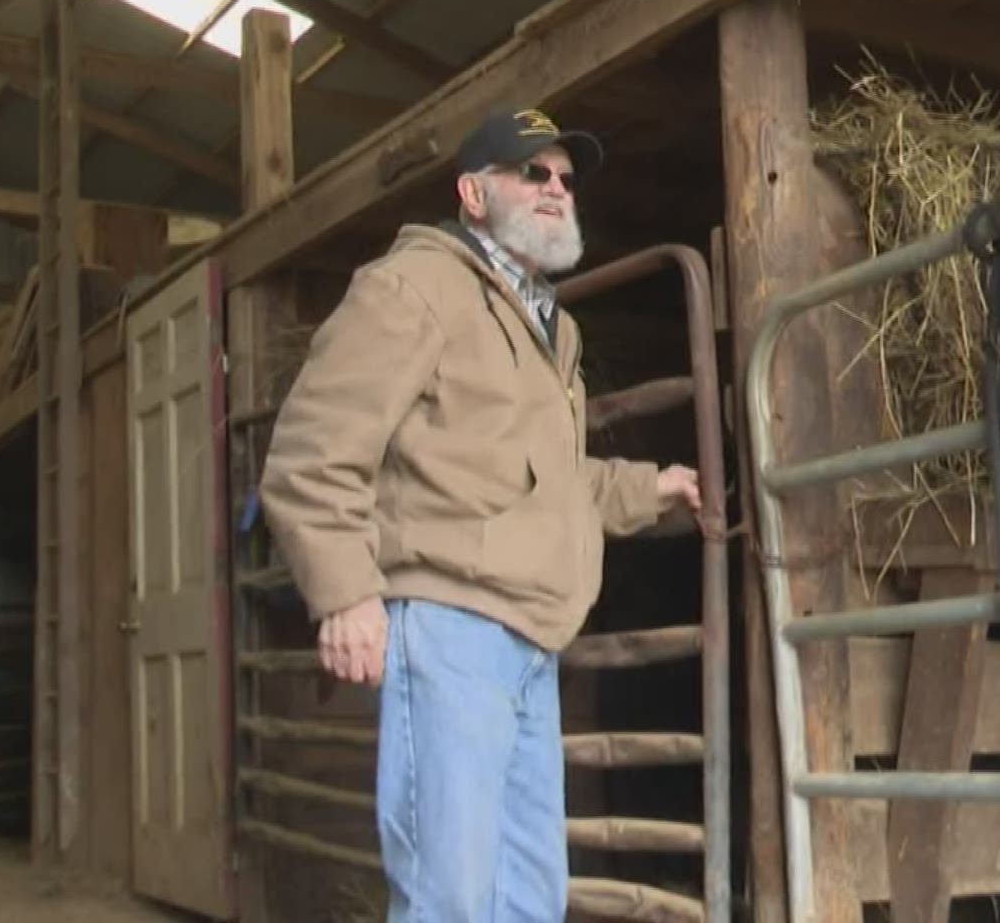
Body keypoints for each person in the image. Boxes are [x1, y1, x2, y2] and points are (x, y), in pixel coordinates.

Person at [260, 106, 702, 921]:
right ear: (472, 192)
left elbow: (549, 479)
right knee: (452, 894)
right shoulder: (414, 288)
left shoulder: (547, 324)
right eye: (532, 172)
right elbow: (314, 446)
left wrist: (652, 489)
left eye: (566, 178)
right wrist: (345, 592)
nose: (556, 189)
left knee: (528, 894)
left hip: (531, 641)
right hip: (451, 628)